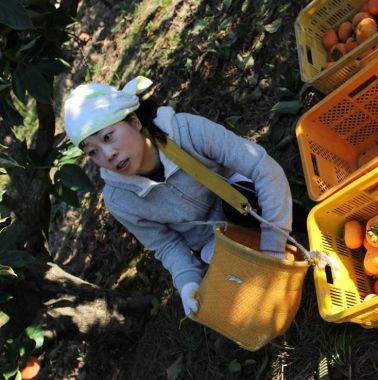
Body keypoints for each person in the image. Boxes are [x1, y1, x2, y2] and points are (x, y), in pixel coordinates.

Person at [63, 76, 294, 318]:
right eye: (93, 151)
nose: (108, 154)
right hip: (213, 241)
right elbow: (166, 244)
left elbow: (262, 168)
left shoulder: (185, 132)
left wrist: (273, 242)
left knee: (254, 212)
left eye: (108, 137)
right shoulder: (119, 199)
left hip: (240, 199)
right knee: (253, 295)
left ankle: (290, 227)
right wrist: (187, 282)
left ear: (134, 120)